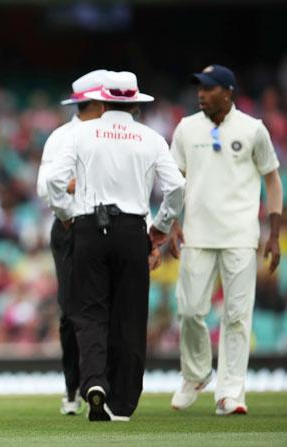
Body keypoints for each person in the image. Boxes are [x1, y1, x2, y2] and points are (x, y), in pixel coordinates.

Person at [47, 71, 185, 422]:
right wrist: (160, 228)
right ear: (136, 103)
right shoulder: (150, 137)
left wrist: (66, 215)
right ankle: (121, 403)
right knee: (129, 316)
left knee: (89, 313)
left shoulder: (81, 133)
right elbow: (177, 189)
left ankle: (94, 382)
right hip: (131, 229)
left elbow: (54, 182)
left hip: (89, 228)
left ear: (103, 100)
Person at [169, 65, 282, 415]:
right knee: (189, 311)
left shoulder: (253, 130)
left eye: (209, 88)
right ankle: (196, 374)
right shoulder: (187, 128)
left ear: (228, 92)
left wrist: (274, 233)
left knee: (236, 317)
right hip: (197, 235)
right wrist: (172, 221)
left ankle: (230, 393)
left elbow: (273, 181)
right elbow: (176, 180)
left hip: (240, 236)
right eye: (199, 89)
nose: (201, 94)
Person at [36, 69, 108, 415]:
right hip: (70, 225)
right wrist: (81, 186)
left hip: (107, 225)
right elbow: (44, 185)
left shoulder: (110, 135)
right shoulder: (62, 137)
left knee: (106, 307)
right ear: (93, 104)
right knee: (70, 311)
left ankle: (102, 382)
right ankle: (72, 388)